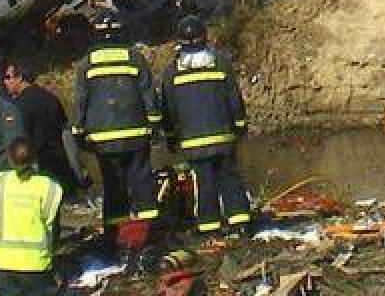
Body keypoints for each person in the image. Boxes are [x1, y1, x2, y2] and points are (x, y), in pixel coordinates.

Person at [71, 14, 160, 262]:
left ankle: (116, 239)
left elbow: (80, 100)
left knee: (113, 188)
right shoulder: (134, 58)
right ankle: (148, 235)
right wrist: (154, 124)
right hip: (135, 135)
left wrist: (78, 131)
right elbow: (148, 94)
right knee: (142, 184)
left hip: (103, 140)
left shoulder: (87, 64)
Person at [156, 16, 252, 237]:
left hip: (193, 144)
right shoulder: (220, 63)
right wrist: (239, 127)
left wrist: (170, 137)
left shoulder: (172, 72)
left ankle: (210, 227)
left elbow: (167, 109)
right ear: (205, 39)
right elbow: (234, 100)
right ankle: (241, 223)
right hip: (223, 139)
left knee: (204, 184)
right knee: (230, 179)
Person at [0, 137, 63, 296]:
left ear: (9, 157)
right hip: (36, 264)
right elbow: (52, 224)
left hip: (2, 262)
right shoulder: (50, 186)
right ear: (35, 158)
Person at [1, 61, 79, 196]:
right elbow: (64, 132)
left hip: (34, 168)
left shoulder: (17, 107)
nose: (5, 81)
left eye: (8, 77)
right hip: (58, 165)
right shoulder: (51, 99)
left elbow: (17, 137)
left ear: (20, 78)